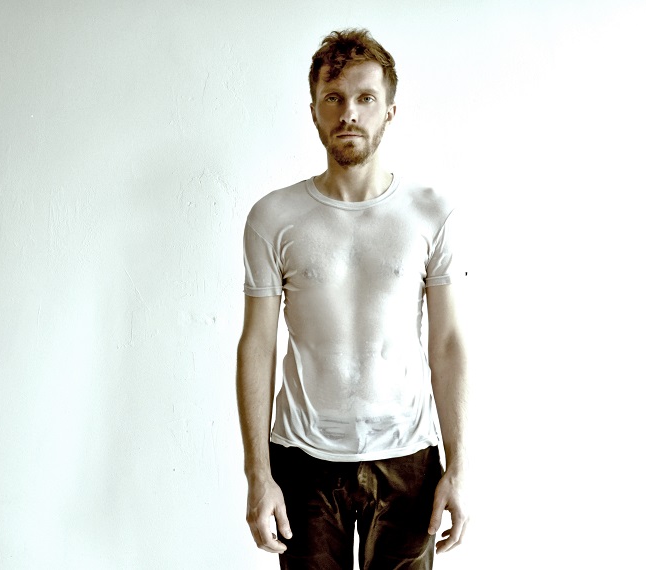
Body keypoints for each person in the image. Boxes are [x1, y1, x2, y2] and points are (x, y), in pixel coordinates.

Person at [236, 28, 469, 569]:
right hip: (303, 460)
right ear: (314, 110)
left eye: (366, 98)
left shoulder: (431, 213)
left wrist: (458, 466)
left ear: (390, 110)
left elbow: (448, 343)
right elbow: (257, 345)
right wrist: (258, 475)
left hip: (409, 457)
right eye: (334, 98)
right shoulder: (273, 217)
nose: (349, 114)